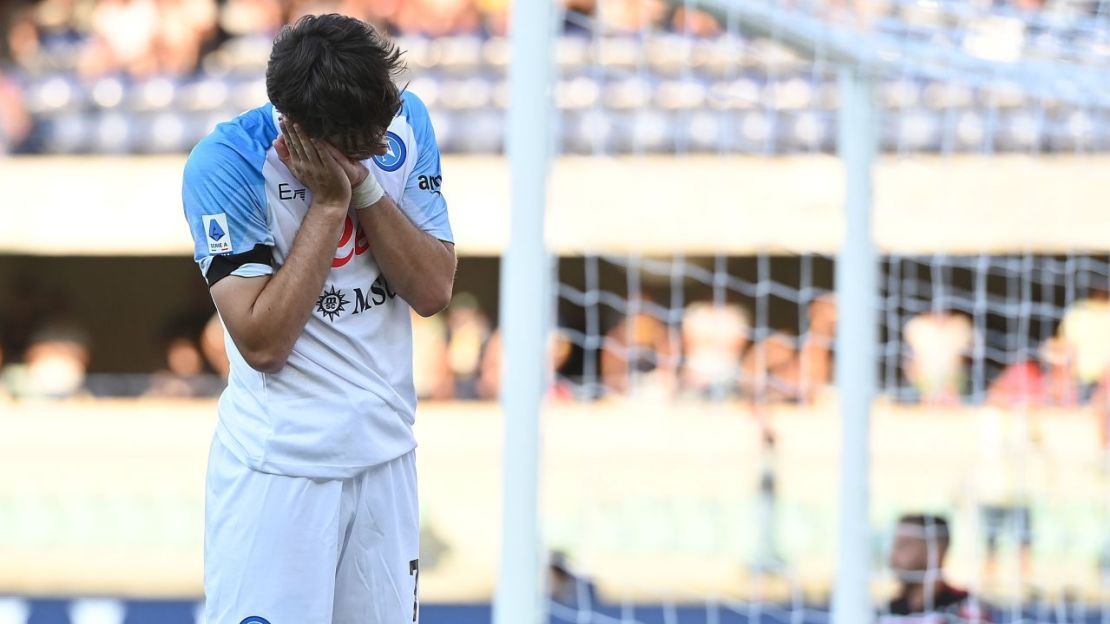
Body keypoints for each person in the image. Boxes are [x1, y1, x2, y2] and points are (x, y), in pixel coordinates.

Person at [181, 14, 455, 624]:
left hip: (385, 461)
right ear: (302, 130)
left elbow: (434, 289)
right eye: (366, 141)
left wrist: (366, 191)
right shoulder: (226, 164)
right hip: (278, 474)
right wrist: (329, 205)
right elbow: (263, 342)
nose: (384, 145)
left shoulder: (405, 124)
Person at [883, 514, 988, 623]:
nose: (892, 557)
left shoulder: (966, 608)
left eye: (904, 545)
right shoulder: (888, 611)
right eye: (894, 545)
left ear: (936, 551)